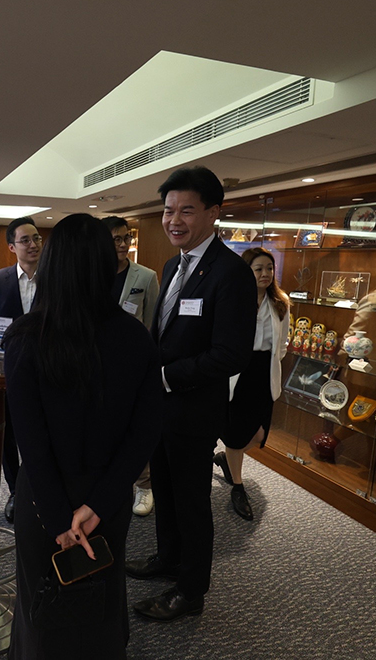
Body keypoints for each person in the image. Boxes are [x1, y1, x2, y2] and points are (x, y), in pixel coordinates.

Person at [4, 213, 161, 659]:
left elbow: (30, 442)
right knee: (102, 601)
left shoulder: (25, 337)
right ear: (106, 264)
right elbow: (145, 430)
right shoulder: (135, 337)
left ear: (51, 264)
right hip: (106, 497)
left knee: (41, 605)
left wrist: (59, 519)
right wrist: (99, 504)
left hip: (44, 497)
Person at [127, 166, 257, 622]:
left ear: (213, 212)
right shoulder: (172, 265)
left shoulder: (231, 273)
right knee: (163, 488)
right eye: (168, 210)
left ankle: (191, 590)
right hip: (160, 407)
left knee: (191, 502)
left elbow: (231, 355)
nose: (173, 220)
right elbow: (167, 334)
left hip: (194, 410)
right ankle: (169, 558)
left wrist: (165, 377)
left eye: (186, 210)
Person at [214, 247, 290, 520]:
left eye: (269, 268)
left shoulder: (280, 302)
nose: (265, 274)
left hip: (264, 372)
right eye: (258, 269)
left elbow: (282, 343)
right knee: (237, 434)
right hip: (238, 372)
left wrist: (271, 362)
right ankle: (238, 486)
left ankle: (227, 457)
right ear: (246, 272)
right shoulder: (233, 300)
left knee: (259, 435)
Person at [0, 216, 42, 522]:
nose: (33, 245)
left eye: (37, 238)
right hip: (8, 371)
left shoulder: (54, 278)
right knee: (8, 435)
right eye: (25, 240)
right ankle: (15, 491)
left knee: (40, 432)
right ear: (11, 247)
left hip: (45, 371)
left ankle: (40, 490)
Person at [102, 215, 160, 517]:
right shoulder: (93, 274)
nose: (124, 244)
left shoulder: (146, 277)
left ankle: (144, 485)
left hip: (132, 363)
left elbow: (152, 325)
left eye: (127, 238)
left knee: (136, 424)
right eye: (116, 239)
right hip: (97, 364)